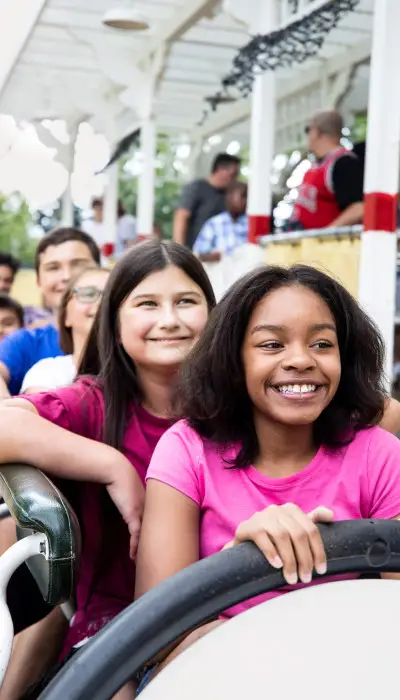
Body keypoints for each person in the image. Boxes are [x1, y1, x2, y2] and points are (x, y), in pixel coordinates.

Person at [134, 264, 400, 689]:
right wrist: (236, 565)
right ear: (235, 359)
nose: (300, 360)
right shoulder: (186, 449)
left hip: (346, 666)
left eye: (322, 344)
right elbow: (153, 632)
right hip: (219, 666)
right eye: (272, 344)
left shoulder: (378, 453)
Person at [0, 239, 215, 699]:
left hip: (231, 613)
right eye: (147, 304)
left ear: (214, 317)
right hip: (118, 628)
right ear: (114, 326)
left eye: (186, 302)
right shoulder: (93, 404)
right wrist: (110, 462)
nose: (169, 319)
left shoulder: (244, 403)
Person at [0, 227, 100, 397]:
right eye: (53, 268)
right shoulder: (23, 343)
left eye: (78, 264)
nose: (66, 276)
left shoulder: (130, 339)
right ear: (38, 281)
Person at [20, 266, 109, 393]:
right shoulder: (48, 371)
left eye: (111, 296)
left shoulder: (140, 371)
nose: (101, 302)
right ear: (66, 316)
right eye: (88, 294)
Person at [290, 110, 364, 231]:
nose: (307, 137)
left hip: (330, 246)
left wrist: (326, 233)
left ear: (317, 132)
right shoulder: (317, 165)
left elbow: (359, 207)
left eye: (308, 130)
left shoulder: (343, 163)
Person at [173, 153, 241, 249]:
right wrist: (179, 250)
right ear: (220, 170)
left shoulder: (229, 194)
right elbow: (181, 216)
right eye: (233, 175)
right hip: (195, 251)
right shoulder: (197, 188)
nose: (235, 179)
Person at [193, 181, 248, 262]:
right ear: (229, 197)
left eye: (247, 197)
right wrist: (214, 257)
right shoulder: (214, 224)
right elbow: (197, 255)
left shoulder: (250, 224)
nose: (245, 200)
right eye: (243, 196)